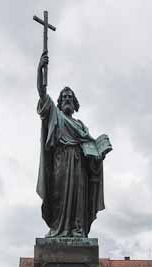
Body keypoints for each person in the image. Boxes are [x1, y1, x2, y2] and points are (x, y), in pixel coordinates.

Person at [36, 51, 110, 238]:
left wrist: (98, 157)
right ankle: (59, 228)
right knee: (60, 197)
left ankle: (78, 229)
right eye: (64, 98)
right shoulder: (56, 115)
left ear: (75, 104)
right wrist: (40, 69)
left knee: (78, 199)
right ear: (59, 103)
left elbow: (90, 149)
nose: (67, 100)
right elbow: (42, 94)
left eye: (70, 98)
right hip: (61, 162)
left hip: (79, 167)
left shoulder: (81, 126)